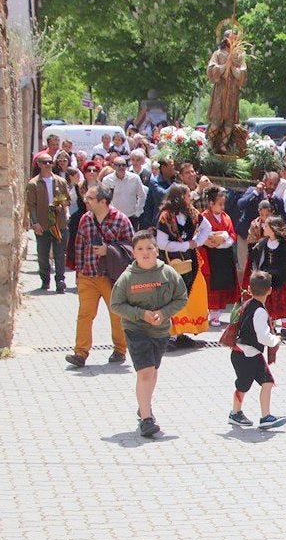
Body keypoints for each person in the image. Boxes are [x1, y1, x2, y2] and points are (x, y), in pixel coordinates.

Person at [110, 230, 188, 437]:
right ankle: (147, 419)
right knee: (145, 371)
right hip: (136, 330)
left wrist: (163, 313)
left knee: (152, 371)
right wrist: (140, 314)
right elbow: (116, 305)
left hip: (161, 331)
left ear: (156, 250)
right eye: (140, 249)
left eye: (149, 248)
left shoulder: (168, 274)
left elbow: (181, 298)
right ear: (133, 253)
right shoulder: (126, 278)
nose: (145, 252)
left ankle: (143, 404)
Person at [65, 185, 134, 368]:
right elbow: (79, 245)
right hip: (87, 275)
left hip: (110, 277)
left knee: (116, 314)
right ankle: (80, 353)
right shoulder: (85, 219)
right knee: (85, 314)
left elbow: (131, 247)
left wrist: (108, 250)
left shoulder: (121, 220)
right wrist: (79, 273)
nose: (85, 201)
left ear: (103, 201)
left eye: (90, 198)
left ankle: (120, 349)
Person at [227, 271, 286, 430]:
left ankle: (265, 417)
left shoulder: (247, 303)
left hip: (248, 353)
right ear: (270, 290)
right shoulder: (259, 311)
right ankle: (235, 413)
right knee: (243, 386)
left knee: (267, 382)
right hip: (246, 354)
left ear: (249, 288)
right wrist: (276, 340)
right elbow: (263, 336)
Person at [156, 183, 212, 348]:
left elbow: (207, 227)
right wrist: (186, 245)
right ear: (179, 197)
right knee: (172, 296)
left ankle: (182, 332)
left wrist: (197, 242)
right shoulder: (165, 216)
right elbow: (161, 243)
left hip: (191, 261)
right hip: (170, 261)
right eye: (188, 195)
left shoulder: (192, 212)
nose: (191, 198)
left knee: (193, 293)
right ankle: (170, 335)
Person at [248, 216, 286, 336]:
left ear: (273, 229)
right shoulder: (264, 243)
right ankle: (271, 323)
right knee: (270, 302)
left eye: (266, 226)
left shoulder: (283, 244)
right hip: (269, 278)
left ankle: (285, 324)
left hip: (282, 277)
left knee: (283, 301)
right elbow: (257, 256)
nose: (263, 227)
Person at [26, 152, 70, 292]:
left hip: (59, 223)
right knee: (43, 254)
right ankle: (45, 280)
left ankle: (60, 281)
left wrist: (62, 206)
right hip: (43, 223)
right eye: (45, 162)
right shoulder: (33, 184)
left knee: (59, 254)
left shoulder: (60, 181)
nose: (48, 165)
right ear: (39, 164)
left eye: (50, 162)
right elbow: (31, 205)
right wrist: (35, 222)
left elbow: (66, 199)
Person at [199, 186, 239, 327]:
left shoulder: (226, 217)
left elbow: (233, 234)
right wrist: (211, 239)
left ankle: (218, 313)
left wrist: (226, 238)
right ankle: (212, 314)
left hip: (224, 255)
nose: (222, 207)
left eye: (223, 204)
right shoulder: (203, 217)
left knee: (223, 284)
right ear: (211, 203)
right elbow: (199, 235)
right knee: (212, 286)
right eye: (219, 204)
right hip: (211, 255)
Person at [236, 172, 285, 283]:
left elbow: (284, 219)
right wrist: (256, 192)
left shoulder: (277, 200)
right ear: (264, 182)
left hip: (267, 241)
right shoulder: (252, 191)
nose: (272, 187)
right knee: (244, 266)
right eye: (270, 183)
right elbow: (240, 204)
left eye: (275, 184)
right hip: (247, 236)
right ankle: (241, 296)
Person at [206, 29, 247, 154]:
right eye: (231, 38)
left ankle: (223, 145)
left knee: (229, 120)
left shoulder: (239, 56)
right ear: (226, 39)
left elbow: (243, 73)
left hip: (232, 92)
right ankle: (210, 143)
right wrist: (224, 67)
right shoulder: (218, 54)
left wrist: (234, 68)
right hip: (220, 90)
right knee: (216, 118)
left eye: (235, 38)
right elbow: (211, 69)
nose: (234, 40)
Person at [102, 155, 146, 230]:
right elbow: (105, 199)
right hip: (114, 218)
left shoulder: (135, 178)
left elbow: (142, 195)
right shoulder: (107, 180)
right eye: (119, 165)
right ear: (113, 166)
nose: (121, 167)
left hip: (131, 217)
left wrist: (138, 211)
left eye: (124, 165)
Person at [142, 156, 176, 229]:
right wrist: (175, 183)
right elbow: (163, 196)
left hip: (175, 222)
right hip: (159, 223)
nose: (174, 168)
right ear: (163, 168)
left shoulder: (174, 180)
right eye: (172, 165)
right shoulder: (154, 182)